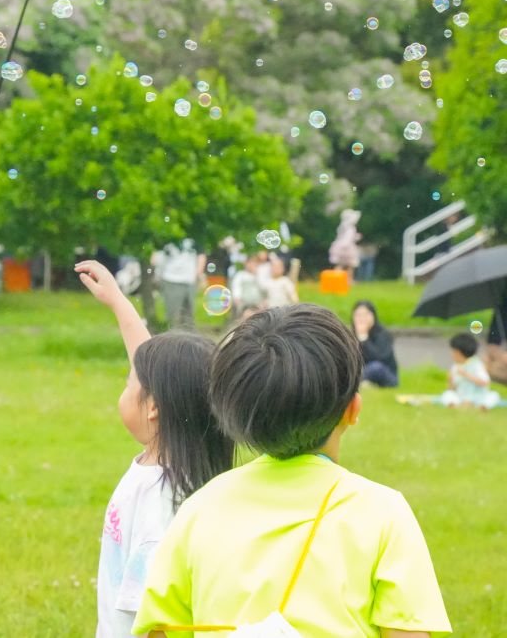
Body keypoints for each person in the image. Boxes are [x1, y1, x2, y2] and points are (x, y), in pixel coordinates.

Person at [134, 304, 451, 637]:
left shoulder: (198, 508)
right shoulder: (384, 513)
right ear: (353, 409)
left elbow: (159, 630)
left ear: (233, 415)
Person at [74, 260, 233, 638]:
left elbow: (157, 621)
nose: (126, 386)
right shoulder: (182, 468)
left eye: (130, 381)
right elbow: (149, 361)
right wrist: (118, 302)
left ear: (154, 406)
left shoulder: (159, 502)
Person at [152, 239, 203, 329]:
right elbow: (154, 258)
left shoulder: (195, 234)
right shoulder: (166, 236)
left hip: (189, 280)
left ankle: (189, 338)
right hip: (171, 279)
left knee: (189, 315)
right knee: (173, 315)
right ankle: (173, 338)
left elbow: (201, 254)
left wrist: (198, 273)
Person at [441, 333, 501, 409]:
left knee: (494, 395)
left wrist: (467, 375)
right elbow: (452, 388)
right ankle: (455, 405)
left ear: (458, 352)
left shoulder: (477, 365)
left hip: (479, 397)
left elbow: (485, 382)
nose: (451, 354)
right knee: (447, 394)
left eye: (453, 351)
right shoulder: (455, 367)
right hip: (462, 397)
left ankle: (482, 406)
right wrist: (450, 380)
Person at [352, 300, 399, 388]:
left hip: (386, 375)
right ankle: (364, 383)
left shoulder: (383, 334)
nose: (362, 318)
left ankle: (355, 383)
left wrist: (364, 338)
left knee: (376, 367)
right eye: (358, 315)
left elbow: (379, 358)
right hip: (362, 372)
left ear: (373, 316)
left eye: (365, 315)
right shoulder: (351, 335)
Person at [229, 255, 265, 319]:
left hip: (258, 305)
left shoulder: (259, 276)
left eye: (254, 263)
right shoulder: (240, 275)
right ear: (245, 263)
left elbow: (263, 289)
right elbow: (236, 289)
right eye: (250, 262)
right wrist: (240, 304)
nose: (252, 265)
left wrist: (256, 274)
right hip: (245, 305)